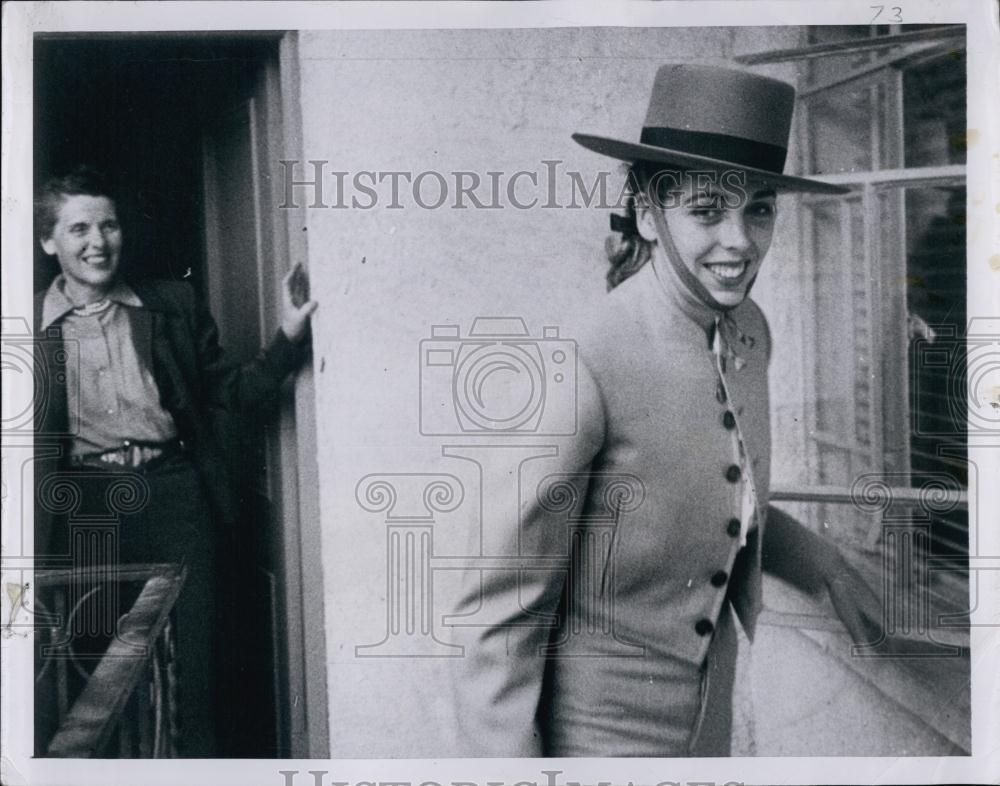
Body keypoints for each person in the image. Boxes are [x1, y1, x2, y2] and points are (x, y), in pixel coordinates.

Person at [450, 64, 895, 757]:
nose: (740, 242)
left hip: (710, 725)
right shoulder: (585, 356)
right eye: (707, 211)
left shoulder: (749, 331)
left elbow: (714, 496)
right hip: (596, 743)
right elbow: (499, 613)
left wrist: (824, 564)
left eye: (759, 208)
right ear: (650, 214)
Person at [32, 166, 317, 756]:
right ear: (48, 241)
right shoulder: (25, 327)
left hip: (173, 497)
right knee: (95, 675)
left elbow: (233, 391)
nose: (98, 242)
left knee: (192, 668)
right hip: (85, 509)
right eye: (79, 227)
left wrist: (288, 337)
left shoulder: (172, 305)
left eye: (108, 225)